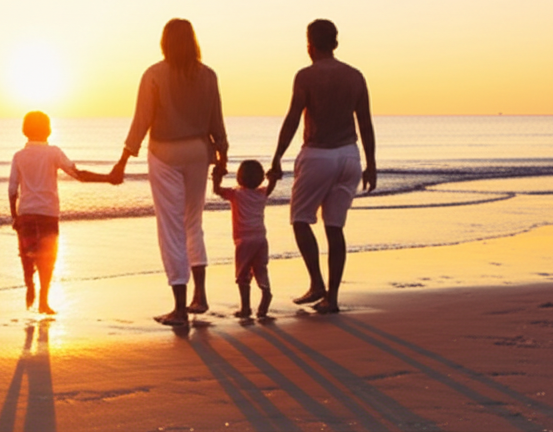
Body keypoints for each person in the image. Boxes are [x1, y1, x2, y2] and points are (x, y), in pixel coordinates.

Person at [110, 19, 229, 327]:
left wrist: (123, 160)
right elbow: (217, 120)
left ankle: (179, 308)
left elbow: (142, 121)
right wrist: (222, 157)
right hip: (199, 153)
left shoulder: (154, 75)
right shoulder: (208, 75)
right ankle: (200, 296)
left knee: (170, 228)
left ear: (164, 42)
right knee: (193, 222)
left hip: (165, 153)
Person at [267, 19, 377, 314]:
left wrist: (277, 156)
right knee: (335, 227)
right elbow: (364, 122)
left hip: (318, 155)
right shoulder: (355, 76)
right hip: (349, 157)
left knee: (301, 219)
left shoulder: (306, 76)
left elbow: (292, 119)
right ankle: (333, 298)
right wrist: (371, 163)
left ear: (310, 45)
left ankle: (317, 283)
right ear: (335, 43)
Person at [9, 111, 112, 315]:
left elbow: (12, 189)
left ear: (24, 131)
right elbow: (78, 174)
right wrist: (107, 178)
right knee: (48, 258)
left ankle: (29, 284)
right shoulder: (53, 153)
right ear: (48, 129)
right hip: (48, 213)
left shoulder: (19, 156)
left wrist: (14, 216)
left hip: (26, 212)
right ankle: (44, 301)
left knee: (27, 254)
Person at [212, 160, 277, 319]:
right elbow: (271, 186)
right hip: (261, 238)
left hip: (244, 241)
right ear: (261, 178)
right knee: (261, 268)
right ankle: (265, 291)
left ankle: (246, 307)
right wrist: (273, 177)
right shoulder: (262, 193)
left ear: (239, 178)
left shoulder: (236, 194)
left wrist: (216, 177)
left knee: (243, 275)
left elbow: (217, 191)